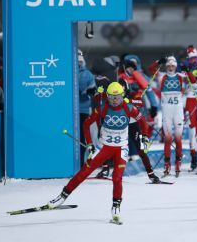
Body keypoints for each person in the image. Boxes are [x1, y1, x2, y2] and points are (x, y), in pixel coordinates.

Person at [47, 82, 151, 224]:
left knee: (117, 178)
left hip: (121, 148)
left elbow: (143, 121)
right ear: (107, 96)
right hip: (103, 147)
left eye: (118, 97)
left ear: (123, 96)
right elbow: (86, 124)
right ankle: (62, 196)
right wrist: (89, 143)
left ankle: (116, 206)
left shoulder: (129, 108)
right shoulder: (103, 108)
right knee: (84, 171)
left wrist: (144, 136)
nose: (115, 100)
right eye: (111, 97)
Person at [150, 55, 186, 177]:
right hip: (166, 111)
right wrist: (158, 61)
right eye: (169, 66)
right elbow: (151, 70)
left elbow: (194, 79)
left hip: (178, 111)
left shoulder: (181, 76)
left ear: (176, 67)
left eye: (173, 66)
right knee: (167, 138)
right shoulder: (161, 76)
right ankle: (167, 165)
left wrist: (188, 69)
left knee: (178, 138)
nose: (170, 68)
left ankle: (177, 163)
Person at [181, 45, 197, 171]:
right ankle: (194, 158)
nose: (194, 61)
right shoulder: (183, 68)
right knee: (192, 130)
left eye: (195, 58)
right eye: (191, 58)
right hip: (189, 99)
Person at [78, 50, 97, 166]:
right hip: (69, 110)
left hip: (83, 109)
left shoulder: (87, 74)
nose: (79, 64)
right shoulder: (68, 71)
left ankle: (82, 162)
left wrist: (89, 92)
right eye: (77, 61)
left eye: (80, 61)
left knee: (83, 136)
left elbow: (93, 88)